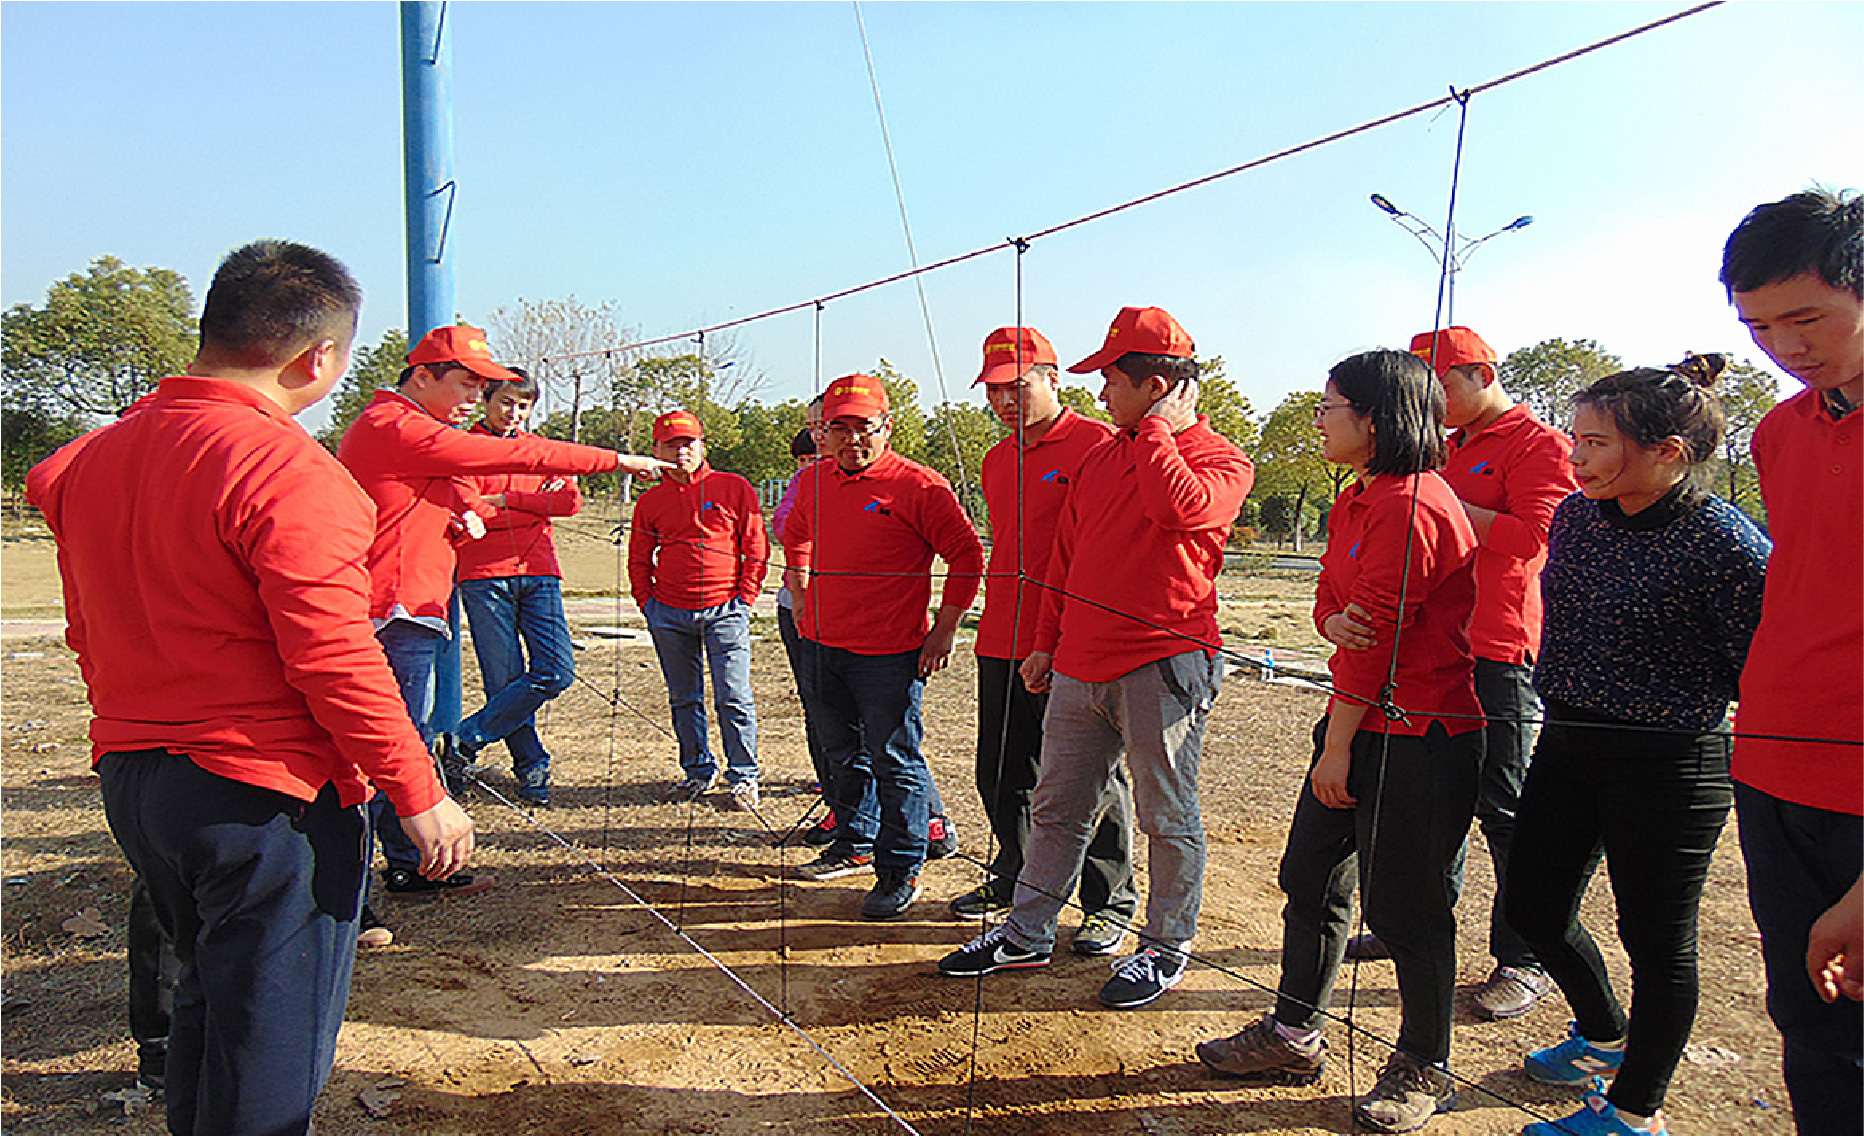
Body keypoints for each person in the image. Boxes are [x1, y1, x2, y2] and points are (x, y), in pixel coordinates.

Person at [26, 239, 475, 1135]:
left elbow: (80, 604)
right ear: (321, 357)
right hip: (264, 796)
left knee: (209, 1003)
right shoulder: (285, 468)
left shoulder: (94, 459)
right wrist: (418, 789)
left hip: (139, 776)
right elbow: (333, 653)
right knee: (270, 1042)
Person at [1193, 349, 1479, 1134]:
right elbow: (1333, 605)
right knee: (1311, 878)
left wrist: (1337, 747)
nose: (1318, 420)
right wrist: (1329, 624)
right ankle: (1293, 1035)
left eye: (1329, 407)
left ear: (1376, 420)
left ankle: (1425, 1066)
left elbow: (1377, 640)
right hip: (1359, 720)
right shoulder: (1359, 498)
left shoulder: (1413, 506)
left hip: (1417, 732)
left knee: (1407, 910)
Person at [939, 307, 1253, 1011]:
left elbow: (1180, 509)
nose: (1102, 392)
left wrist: (1161, 434)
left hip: (1162, 663)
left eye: (1112, 379)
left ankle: (1164, 946)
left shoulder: (1221, 459)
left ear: (1158, 386)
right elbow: (1066, 559)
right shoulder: (1103, 457)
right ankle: (1026, 932)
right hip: (1079, 663)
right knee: (1056, 807)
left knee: (1165, 815)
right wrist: (1046, 642)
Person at [1502, 354, 1770, 1136]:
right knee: (1533, 909)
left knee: (1656, 941)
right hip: (1568, 741)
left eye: (1594, 444)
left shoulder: (1726, 545)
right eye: (1575, 439)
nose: (1575, 456)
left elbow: (1759, 671)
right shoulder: (1576, 517)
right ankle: (1603, 1034)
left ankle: (1633, 1111)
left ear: (1668, 452)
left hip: (1670, 764)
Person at [338, 324, 666, 909]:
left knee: (409, 740)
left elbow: (493, 494)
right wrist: (620, 459)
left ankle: (408, 864)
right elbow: (519, 454)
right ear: (422, 376)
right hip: (392, 609)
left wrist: (460, 517)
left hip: (419, 603)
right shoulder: (399, 425)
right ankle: (353, 898)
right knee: (387, 748)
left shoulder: (409, 429)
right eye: (468, 384)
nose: (476, 398)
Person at [1343, 328, 1575, 1022]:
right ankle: (1415, 921)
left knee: (1503, 808)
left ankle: (1523, 957)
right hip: (1434, 649)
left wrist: (1439, 505)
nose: (1435, 401)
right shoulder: (1444, 448)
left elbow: (1537, 537)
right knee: (1431, 802)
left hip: (1498, 647)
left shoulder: (1539, 445)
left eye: (1444, 384)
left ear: (1483, 373)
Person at [1721, 187, 1863, 1136]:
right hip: (1773, 768)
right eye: (1758, 327)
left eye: (1806, 318)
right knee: (1810, 1026)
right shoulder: (1779, 431)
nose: (1784, 346)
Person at [951, 326, 1139, 960]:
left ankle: (1108, 899)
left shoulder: (1098, 445)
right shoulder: (996, 458)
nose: (1005, 400)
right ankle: (1019, 876)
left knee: (1089, 777)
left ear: (1052, 379)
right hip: (1002, 634)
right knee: (1003, 771)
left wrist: (1066, 635)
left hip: (1070, 640)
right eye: (994, 391)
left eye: (1018, 386)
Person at [784, 374, 985, 919]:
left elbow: (967, 556)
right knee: (841, 753)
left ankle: (900, 867)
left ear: (887, 427)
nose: (852, 439)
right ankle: (855, 839)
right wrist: (800, 591)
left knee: (894, 759)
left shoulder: (920, 486)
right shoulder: (814, 480)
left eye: (864, 427)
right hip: (822, 644)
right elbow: (795, 535)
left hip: (889, 654)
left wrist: (945, 628)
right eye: (838, 428)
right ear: (823, 432)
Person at [628, 409, 770, 809]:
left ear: (702, 446)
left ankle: (743, 776)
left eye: (688, 443)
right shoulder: (650, 501)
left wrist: (745, 597)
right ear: (656, 450)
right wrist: (647, 603)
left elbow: (755, 545)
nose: (681, 452)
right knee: (684, 698)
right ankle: (697, 771)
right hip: (669, 613)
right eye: (671, 444)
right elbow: (639, 557)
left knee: (733, 695)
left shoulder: (733, 487)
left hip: (726, 609)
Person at [452, 369, 579, 808]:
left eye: (523, 405)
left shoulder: (542, 450)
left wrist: (507, 501)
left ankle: (465, 738)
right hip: (483, 575)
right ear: (486, 401)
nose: (514, 412)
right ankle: (531, 766)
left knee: (557, 670)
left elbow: (569, 502)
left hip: (540, 571)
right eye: (506, 402)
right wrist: (535, 506)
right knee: (504, 679)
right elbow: (470, 510)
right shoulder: (462, 450)